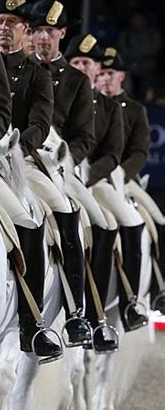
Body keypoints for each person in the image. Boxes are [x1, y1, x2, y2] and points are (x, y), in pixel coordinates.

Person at [0, 0, 61, 358]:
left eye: (12, 23)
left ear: (25, 30)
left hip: (20, 162)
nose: (4, 29)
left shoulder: (37, 75)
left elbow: (40, 125)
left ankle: (37, 322)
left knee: (59, 213)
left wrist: (14, 147)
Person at [28, 0, 96, 346]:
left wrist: (66, 158)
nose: (43, 38)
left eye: (49, 32)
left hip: (60, 165)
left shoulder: (76, 81)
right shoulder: (19, 70)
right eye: (37, 30)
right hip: (19, 159)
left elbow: (85, 136)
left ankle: (78, 314)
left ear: (61, 35)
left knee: (76, 217)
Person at [64, 33, 124, 347]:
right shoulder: (60, 89)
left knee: (111, 222)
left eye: (87, 62)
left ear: (97, 68)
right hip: (54, 170)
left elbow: (115, 153)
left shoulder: (111, 108)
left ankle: (112, 306)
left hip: (95, 178)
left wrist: (86, 175)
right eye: (76, 61)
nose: (82, 67)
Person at [100, 47, 165, 315]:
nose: (105, 78)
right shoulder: (89, 103)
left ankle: (155, 290)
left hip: (126, 180)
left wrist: (119, 175)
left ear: (122, 76)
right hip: (90, 178)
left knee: (156, 221)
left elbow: (139, 151)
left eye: (110, 73)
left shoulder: (136, 110)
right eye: (101, 73)